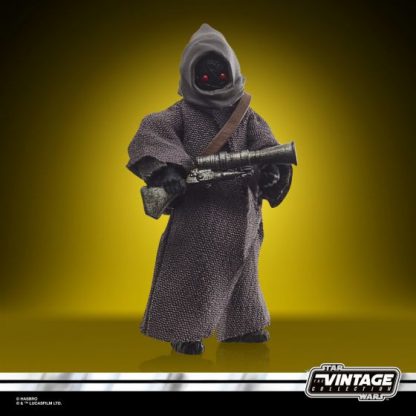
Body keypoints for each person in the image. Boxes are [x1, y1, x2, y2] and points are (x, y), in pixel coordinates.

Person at [126, 24, 292, 354]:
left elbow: (266, 146)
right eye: (204, 73)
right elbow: (151, 135)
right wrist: (169, 170)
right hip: (199, 211)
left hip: (242, 209)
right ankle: (183, 330)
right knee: (191, 271)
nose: (214, 78)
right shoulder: (181, 113)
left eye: (221, 72)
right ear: (190, 74)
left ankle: (242, 325)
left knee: (244, 273)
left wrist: (271, 171)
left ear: (233, 71)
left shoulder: (246, 115)